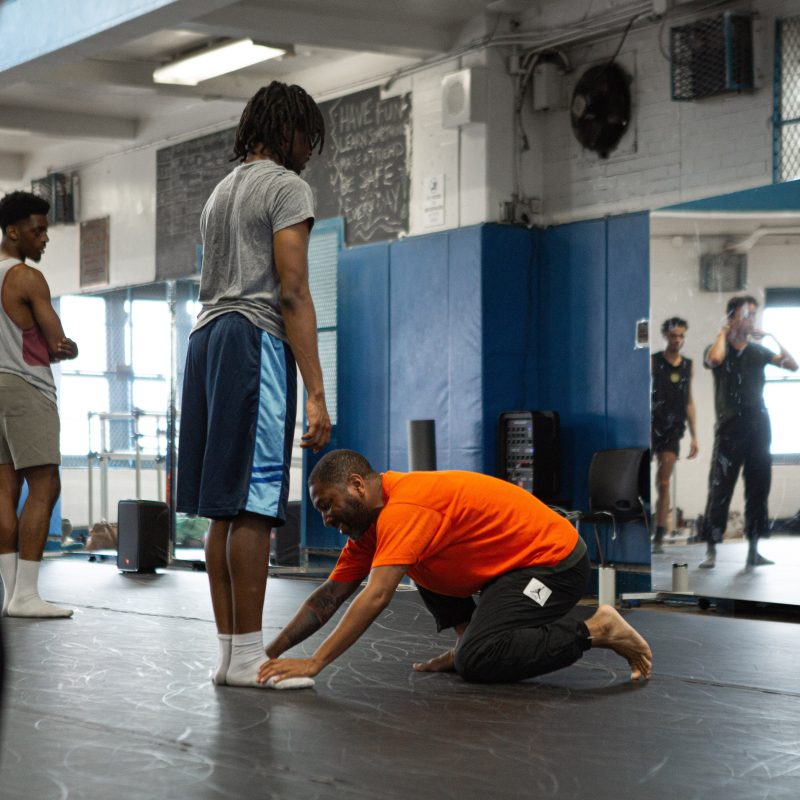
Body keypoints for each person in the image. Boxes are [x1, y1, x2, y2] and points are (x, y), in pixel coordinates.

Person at [257, 449, 653, 687]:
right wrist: (265, 654)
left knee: (479, 660)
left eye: (327, 505)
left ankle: (598, 629)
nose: (326, 519)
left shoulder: (405, 508)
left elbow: (375, 596)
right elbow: (329, 596)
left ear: (357, 485)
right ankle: (469, 639)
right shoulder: (370, 527)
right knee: (424, 563)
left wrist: (315, 662)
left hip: (555, 567)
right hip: (507, 569)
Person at [177, 81, 331, 689]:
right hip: (252, 340)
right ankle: (246, 657)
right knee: (254, 506)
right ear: (285, 129)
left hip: (206, 339)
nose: (309, 151)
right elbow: (292, 291)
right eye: (307, 137)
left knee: (223, 507)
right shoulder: (286, 187)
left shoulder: (220, 192)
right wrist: (316, 392)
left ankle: (230, 655)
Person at [0, 191, 78, 618]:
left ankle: (13, 594)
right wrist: (70, 348)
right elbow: (56, 343)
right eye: (38, 231)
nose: (44, 238)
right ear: (13, 232)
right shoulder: (27, 278)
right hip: (25, 386)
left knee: (4, 489)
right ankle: (26, 596)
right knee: (45, 484)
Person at [699, 295, 798, 569]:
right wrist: (722, 332)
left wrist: (773, 336)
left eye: (754, 314)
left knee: (758, 487)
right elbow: (714, 359)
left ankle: (754, 549)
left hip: (758, 426)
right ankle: (711, 550)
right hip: (729, 428)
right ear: (732, 317)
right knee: (720, 488)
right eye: (746, 314)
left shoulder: (758, 351)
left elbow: (793, 365)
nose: (752, 319)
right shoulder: (717, 348)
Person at [650, 317, 698, 553]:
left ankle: (660, 532)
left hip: (673, 429)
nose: (677, 340)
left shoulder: (688, 365)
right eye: (673, 335)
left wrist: (695, 436)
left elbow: (689, 401)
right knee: (640, 478)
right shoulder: (654, 361)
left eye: (681, 336)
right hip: (651, 424)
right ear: (665, 335)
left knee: (664, 481)